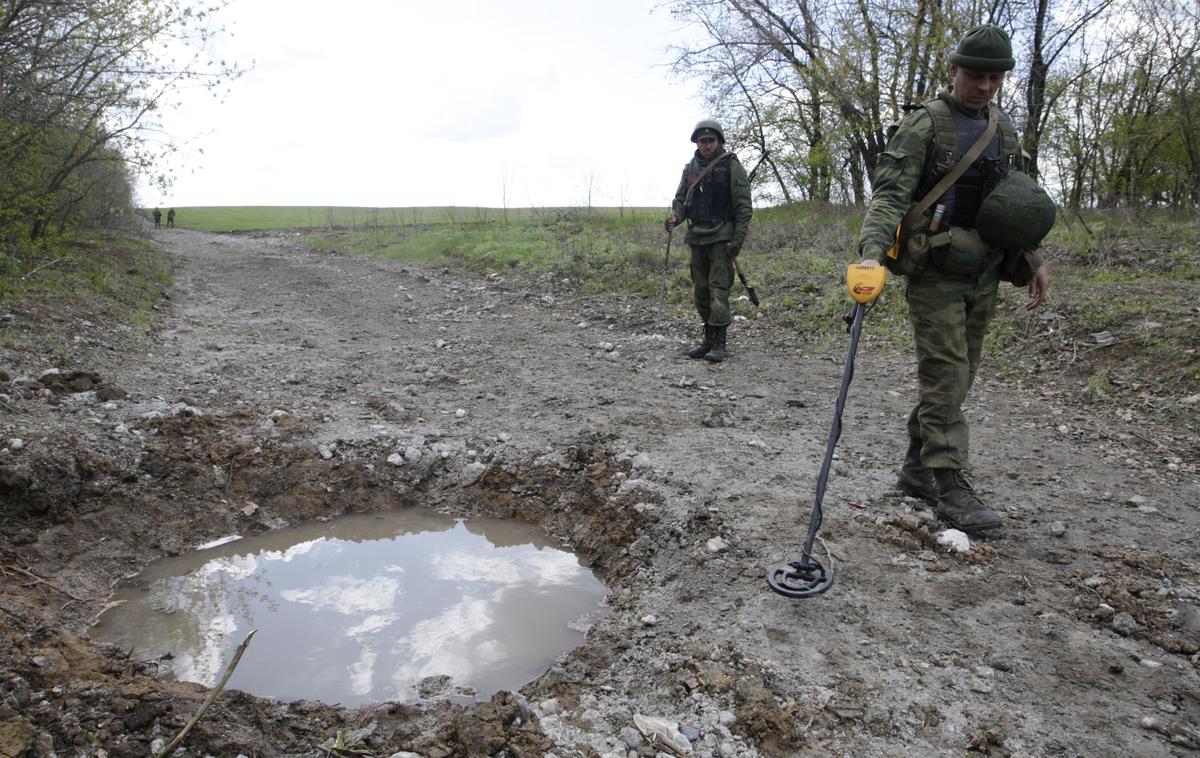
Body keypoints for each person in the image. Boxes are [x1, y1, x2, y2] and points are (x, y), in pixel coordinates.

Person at [857, 24, 1053, 536]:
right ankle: (949, 482)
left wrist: (1032, 259)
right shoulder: (925, 125)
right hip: (935, 272)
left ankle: (917, 467)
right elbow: (889, 199)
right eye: (976, 76)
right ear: (954, 71)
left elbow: (1012, 204)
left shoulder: (1004, 130)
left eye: (994, 78)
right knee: (945, 373)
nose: (985, 87)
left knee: (961, 373)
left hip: (984, 270)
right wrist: (872, 256)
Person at [666, 119, 753, 363]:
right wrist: (674, 218)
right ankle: (708, 337)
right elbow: (681, 200)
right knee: (701, 290)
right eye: (702, 141)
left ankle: (720, 343)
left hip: (721, 237)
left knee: (719, 289)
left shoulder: (732, 166)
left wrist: (738, 239)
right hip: (696, 237)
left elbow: (744, 207)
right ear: (697, 142)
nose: (706, 145)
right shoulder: (690, 167)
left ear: (719, 142)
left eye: (711, 141)